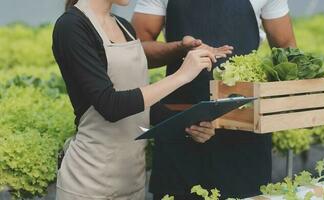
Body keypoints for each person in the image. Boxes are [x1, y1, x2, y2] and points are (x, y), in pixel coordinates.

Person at [52, 0, 231, 199]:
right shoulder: (71, 27)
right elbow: (110, 105)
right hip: (89, 183)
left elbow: (143, 107)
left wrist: (189, 126)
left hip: (133, 181)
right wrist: (182, 75)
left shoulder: (125, 27)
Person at [133, 0, 297, 199]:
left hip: (244, 131)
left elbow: (286, 48)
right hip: (181, 122)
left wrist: (295, 99)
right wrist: (180, 49)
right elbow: (136, 49)